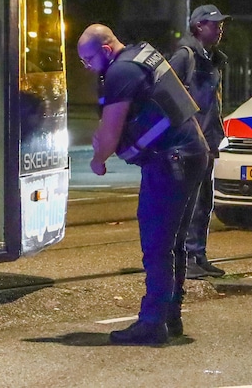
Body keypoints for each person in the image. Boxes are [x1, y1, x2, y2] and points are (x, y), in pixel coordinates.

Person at [77, 24, 209, 345]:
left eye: (88, 60)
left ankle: (152, 324)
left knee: (156, 245)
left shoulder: (121, 71)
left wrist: (98, 160)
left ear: (106, 50)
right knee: (173, 241)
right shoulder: (142, 54)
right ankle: (170, 317)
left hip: (171, 160)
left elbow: (109, 134)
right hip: (192, 152)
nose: (89, 68)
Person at [169, 4, 230, 280]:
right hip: (191, 144)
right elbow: (168, 94)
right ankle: (186, 258)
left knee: (204, 202)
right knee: (190, 204)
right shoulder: (186, 56)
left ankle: (198, 255)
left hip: (208, 142)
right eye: (213, 24)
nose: (219, 29)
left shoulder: (213, 58)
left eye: (220, 24)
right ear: (198, 27)